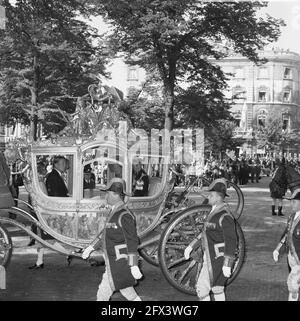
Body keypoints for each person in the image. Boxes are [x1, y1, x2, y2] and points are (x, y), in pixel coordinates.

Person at [81, 177, 143, 301]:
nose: (106, 197)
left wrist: (134, 264)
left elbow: (132, 241)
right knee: (128, 292)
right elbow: (105, 233)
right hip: (114, 262)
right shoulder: (115, 212)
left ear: (115, 195)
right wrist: (91, 247)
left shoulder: (124, 215)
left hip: (119, 263)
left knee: (103, 292)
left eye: (108, 193)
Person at [184, 178, 239, 301]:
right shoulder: (214, 212)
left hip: (217, 260)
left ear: (219, 197)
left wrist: (227, 264)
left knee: (202, 289)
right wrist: (191, 246)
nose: (208, 197)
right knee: (217, 289)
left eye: (211, 195)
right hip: (211, 257)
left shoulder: (225, 216)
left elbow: (231, 241)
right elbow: (205, 233)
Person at [29, 156, 70, 269]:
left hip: (43, 212)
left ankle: (66, 254)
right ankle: (40, 261)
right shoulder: (48, 178)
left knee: (44, 239)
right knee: (42, 238)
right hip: (43, 212)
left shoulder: (43, 180)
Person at [273, 188, 300, 301]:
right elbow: (286, 234)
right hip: (291, 257)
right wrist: (278, 249)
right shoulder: (292, 216)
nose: (291, 204)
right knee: (294, 285)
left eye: (294, 201)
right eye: (290, 201)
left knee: (293, 284)